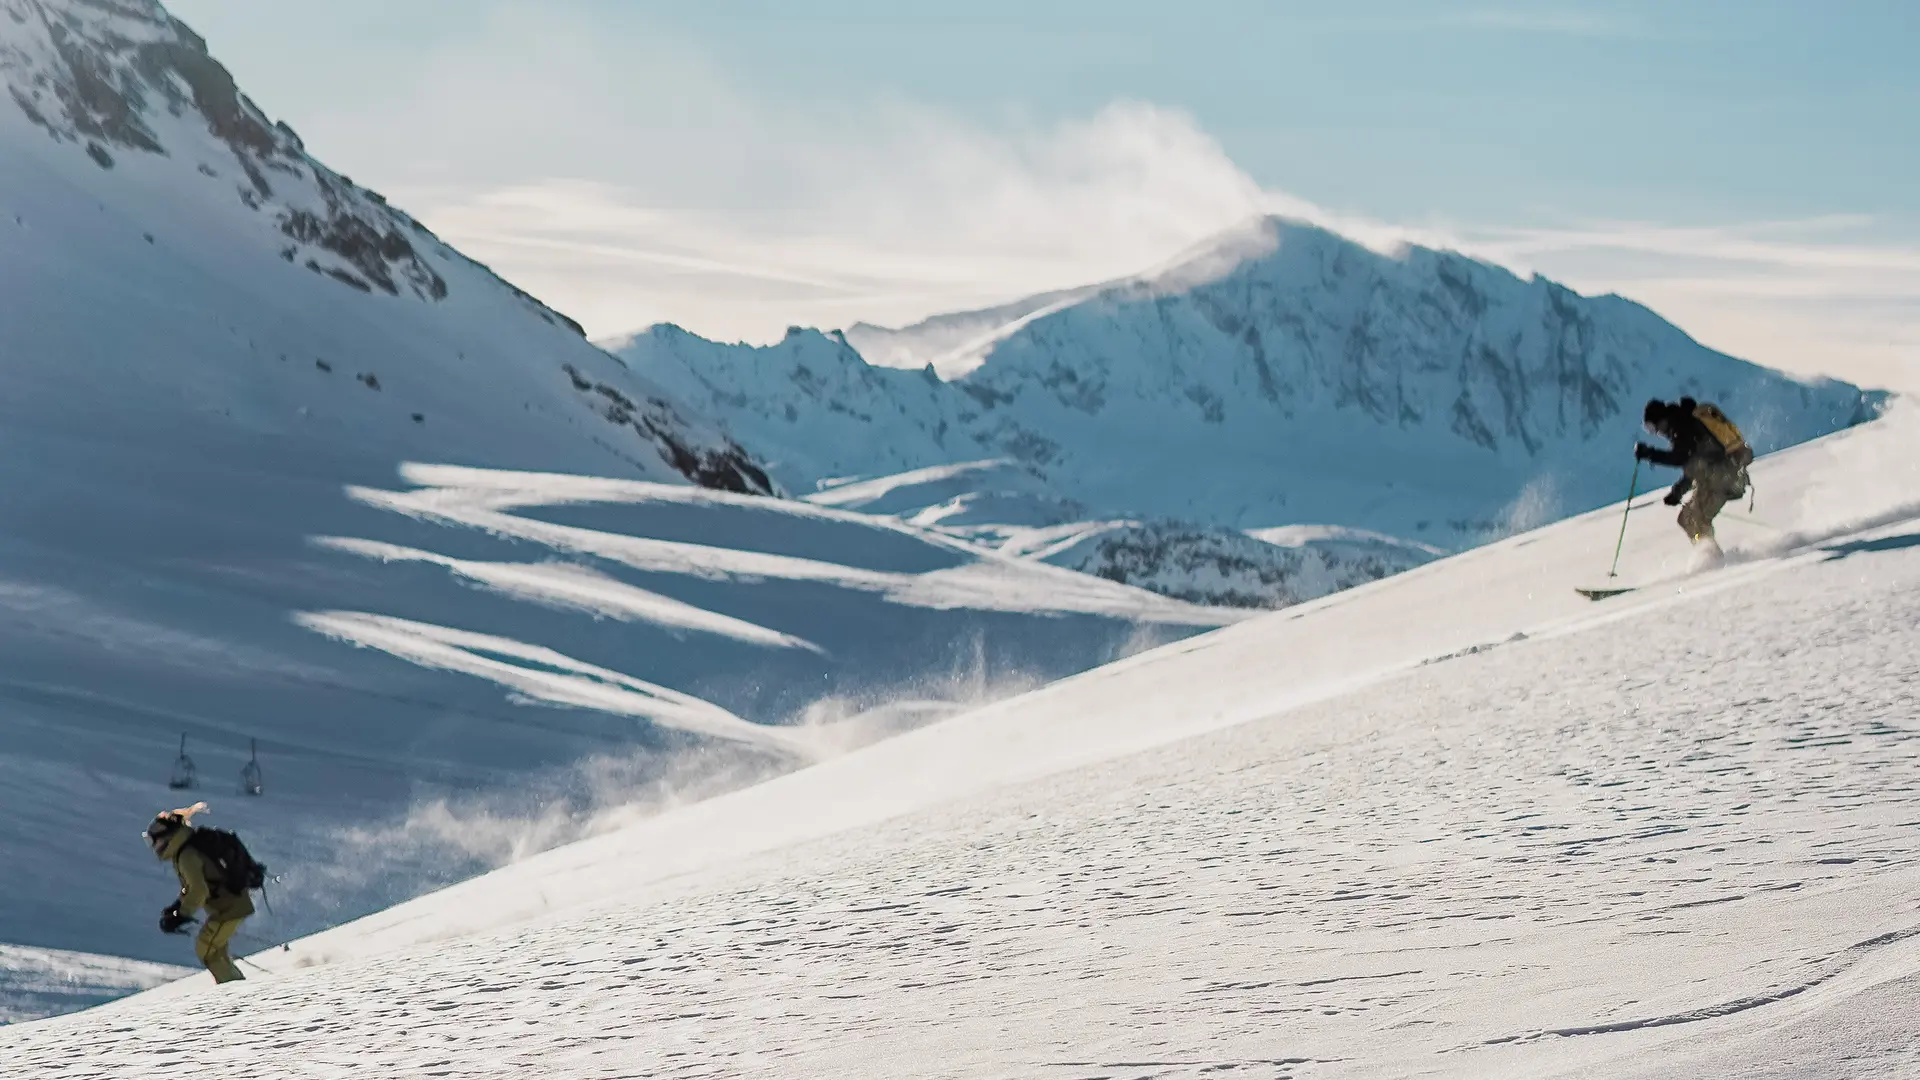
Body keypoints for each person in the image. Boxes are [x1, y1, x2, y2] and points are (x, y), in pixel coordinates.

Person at [145, 802, 253, 984]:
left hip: (229, 908)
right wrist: (178, 906)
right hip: (230, 906)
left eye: (154, 840)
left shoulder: (186, 855)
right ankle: (235, 985)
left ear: (167, 837)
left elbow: (199, 890)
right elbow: (193, 886)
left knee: (206, 948)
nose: (154, 846)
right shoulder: (187, 849)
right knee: (215, 950)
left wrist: (182, 914)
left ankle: (235, 991)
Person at [1634, 397, 1752, 551]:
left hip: (1724, 478)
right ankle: (1706, 549)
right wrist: (1678, 491)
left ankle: (1712, 556)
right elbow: (1696, 464)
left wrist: (1650, 454)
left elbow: (1681, 458)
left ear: (1661, 420)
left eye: (1653, 427)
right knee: (1687, 519)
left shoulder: (1682, 426)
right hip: (1721, 477)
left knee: (1696, 519)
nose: (1657, 432)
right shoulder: (1685, 423)